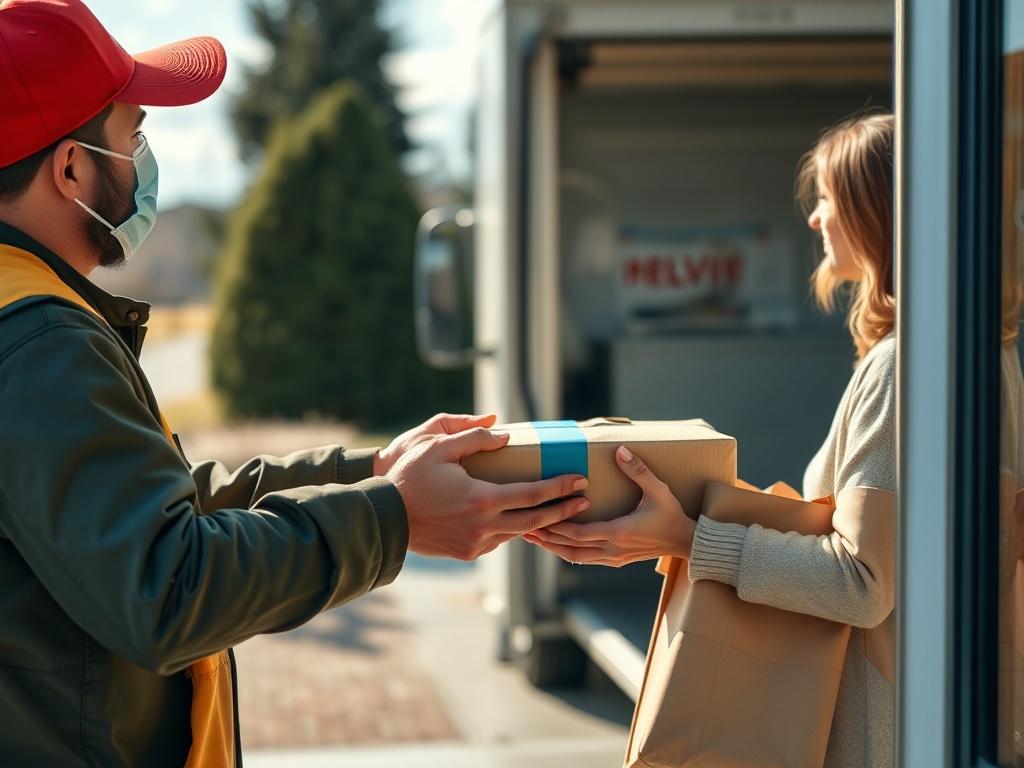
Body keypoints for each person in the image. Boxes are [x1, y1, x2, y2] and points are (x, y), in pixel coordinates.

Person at [0, 1, 590, 765]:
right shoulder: (41, 342)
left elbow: (139, 512)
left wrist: (368, 473)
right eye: (133, 133)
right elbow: (168, 587)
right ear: (72, 165)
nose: (143, 157)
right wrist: (395, 518)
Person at [526, 112, 898, 768]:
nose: (815, 219)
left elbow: (861, 582)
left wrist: (687, 538)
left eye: (828, 200)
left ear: (875, 213)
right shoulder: (987, 351)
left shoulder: (902, 366)